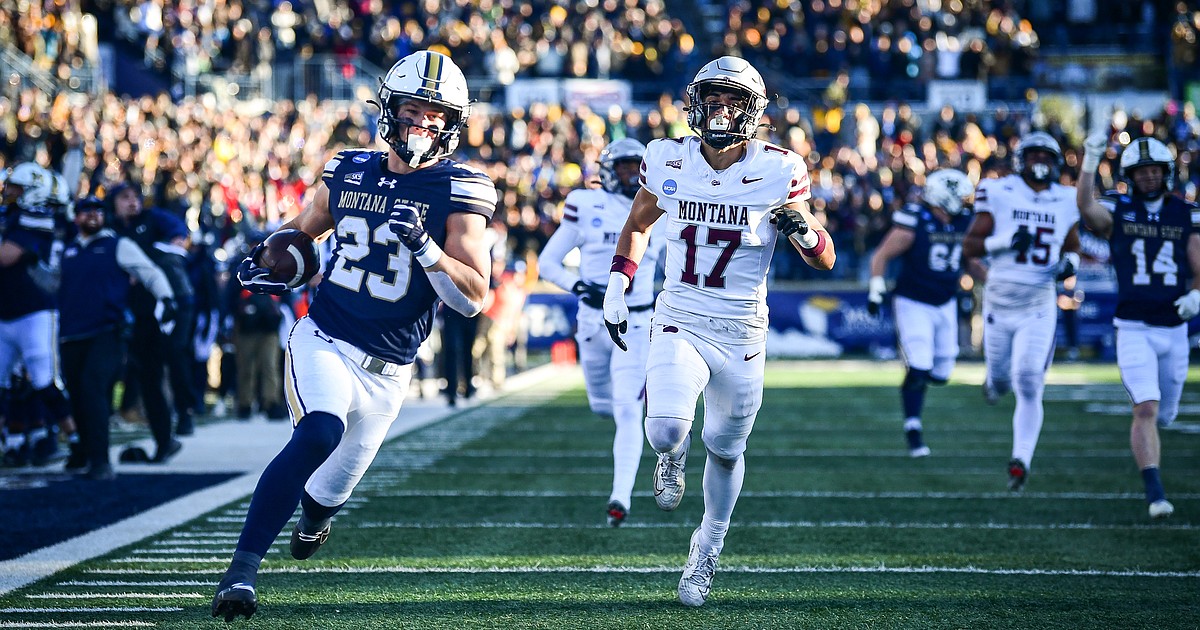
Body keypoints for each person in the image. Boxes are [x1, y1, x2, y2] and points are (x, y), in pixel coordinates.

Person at [211, 50, 496, 622]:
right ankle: (240, 574)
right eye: (413, 111)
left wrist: (427, 248)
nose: (422, 125)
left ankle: (316, 518)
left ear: (453, 124)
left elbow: (473, 299)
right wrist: (271, 256)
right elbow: (299, 232)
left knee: (327, 495)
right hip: (326, 336)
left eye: (434, 116)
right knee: (319, 432)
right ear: (387, 110)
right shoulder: (348, 171)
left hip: (390, 370)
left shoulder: (462, 190)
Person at [601, 56, 836, 607]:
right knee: (663, 429)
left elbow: (822, 257)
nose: (721, 110)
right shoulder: (666, 158)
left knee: (727, 451)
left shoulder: (780, 169)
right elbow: (638, 222)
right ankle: (671, 451)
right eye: (713, 99)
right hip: (681, 311)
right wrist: (617, 288)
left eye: (733, 101)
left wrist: (803, 230)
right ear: (695, 104)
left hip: (742, 329)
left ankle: (706, 548)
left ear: (753, 112)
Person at [538, 137, 662, 527]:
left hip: (637, 320)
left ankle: (619, 497)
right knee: (601, 405)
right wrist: (579, 286)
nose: (628, 175)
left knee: (628, 409)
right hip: (591, 320)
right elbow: (547, 262)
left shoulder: (662, 207)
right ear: (608, 170)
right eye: (622, 167)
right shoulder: (585, 204)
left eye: (634, 167)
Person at [1077, 133, 1199, 519]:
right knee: (1145, 408)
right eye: (1141, 171)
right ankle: (1155, 492)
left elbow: (1199, 268)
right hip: (1132, 326)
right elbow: (1085, 208)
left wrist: (1197, 294)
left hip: (1174, 328)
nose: (1148, 177)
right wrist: (1089, 161)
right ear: (1129, 174)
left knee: (1166, 413)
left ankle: (1155, 477)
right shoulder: (1119, 208)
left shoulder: (1185, 212)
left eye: (1154, 170)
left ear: (1166, 173)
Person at [962, 131, 1082, 492]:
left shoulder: (1066, 199)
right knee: (1000, 381)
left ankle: (1021, 459)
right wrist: (1004, 242)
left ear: (1057, 163)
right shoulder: (999, 191)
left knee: (1029, 379)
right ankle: (993, 385)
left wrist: (1069, 266)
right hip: (1000, 302)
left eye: (1047, 157)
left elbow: (1073, 247)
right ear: (1021, 160)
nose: (1040, 163)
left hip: (1039, 304)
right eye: (1034, 156)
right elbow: (970, 245)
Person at [58, 197, 175, 480]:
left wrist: (167, 298)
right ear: (76, 217)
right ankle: (85, 453)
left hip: (106, 331)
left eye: (98, 211)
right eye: (87, 211)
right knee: (75, 393)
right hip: (70, 334)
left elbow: (150, 272)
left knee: (92, 387)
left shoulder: (117, 245)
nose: (93, 216)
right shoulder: (67, 250)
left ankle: (100, 461)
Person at [867, 169, 977, 458]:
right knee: (919, 366)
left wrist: (998, 280)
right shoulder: (916, 218)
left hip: (946, 301)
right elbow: (881, 255)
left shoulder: (965, 221)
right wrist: (876, 289)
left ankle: (917, 378)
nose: (965, 202)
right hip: (913, 300)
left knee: (941, 374)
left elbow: (972, 261)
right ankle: (913, 429)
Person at [106, 182, 190, 459]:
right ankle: (94, 442)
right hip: (119, 311)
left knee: (156, 371)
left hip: (155, 310)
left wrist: (158, 259)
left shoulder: (152, 219)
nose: (132, 202)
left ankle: (169, 434)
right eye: (124, 197)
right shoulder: (109, 228)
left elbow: (180, 235)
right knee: (113, 374)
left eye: (134, 197)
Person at [0, 163, 76, 466]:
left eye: (15, 188)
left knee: (44, 380)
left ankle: (75, 439)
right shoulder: (14, 216)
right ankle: (16, 443)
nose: (8, 192)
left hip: (35, 310)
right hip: (6, 311)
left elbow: (6, 256)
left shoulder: (36, 217)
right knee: (8, 383)